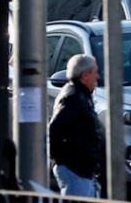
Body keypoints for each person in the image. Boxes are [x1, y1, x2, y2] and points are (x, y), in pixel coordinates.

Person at [48, 53, 103, 198]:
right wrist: (65, 160)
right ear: (85, 75)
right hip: (75, 169)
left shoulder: (81, 94)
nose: (97, 77)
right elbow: (55, 129)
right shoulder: (73, 97)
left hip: (83, 168)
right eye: (95, 72)